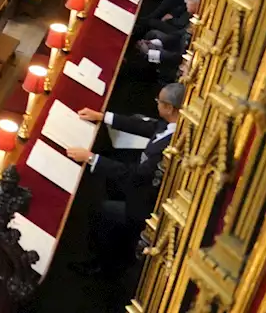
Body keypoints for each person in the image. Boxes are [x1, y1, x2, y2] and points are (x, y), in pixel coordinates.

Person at [65, 82, 184, 277]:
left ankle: (103, 263)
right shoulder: (172, 123)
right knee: (111, 181)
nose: (156, 104)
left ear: (169, 107)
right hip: (141, 184)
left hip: (146, 202)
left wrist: (91, 158)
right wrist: (103, 117)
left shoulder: (169, 146)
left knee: (100, 211)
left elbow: (135, 174)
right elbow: (147, 126)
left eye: (159, 102)